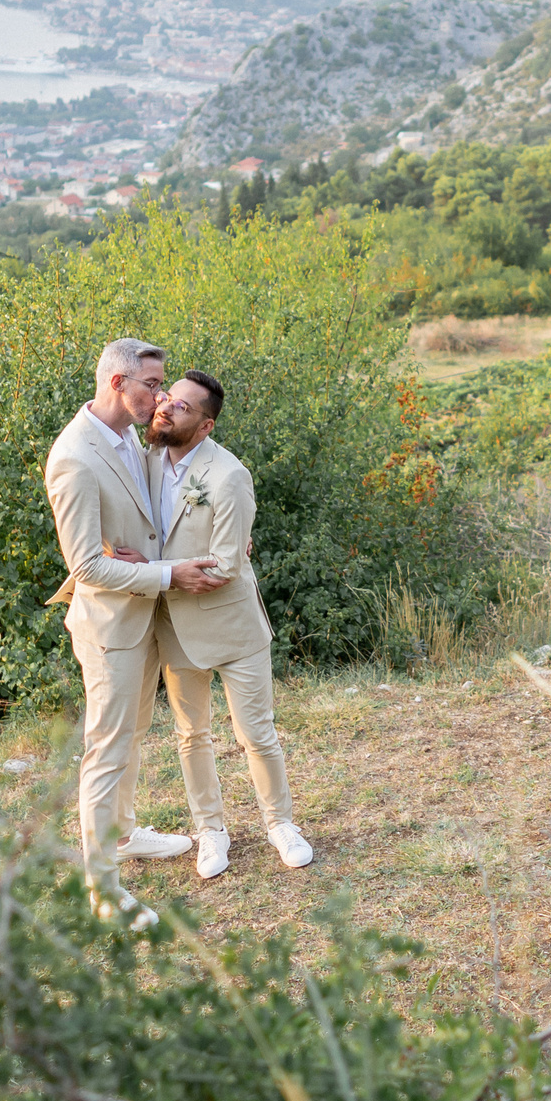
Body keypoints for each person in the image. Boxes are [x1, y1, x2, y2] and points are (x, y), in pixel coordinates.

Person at [41, 336, 228, 926]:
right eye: (153, 385)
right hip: (109, 626)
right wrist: (162, 572)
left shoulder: (130, 436)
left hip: (144, 611)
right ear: (118, 383)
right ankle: (102, 890)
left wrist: (225, 534)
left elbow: (168, 502)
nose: (163, 397)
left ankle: (122, 834)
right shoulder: (73, 455)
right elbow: (87, 566)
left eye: (164, 386)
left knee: (134, 733)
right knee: (106, 748)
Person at [146, 370, 314, 878]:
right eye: (168, 398)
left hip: (233, 624)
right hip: (174, 623)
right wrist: (153, 569)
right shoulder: (147, 462)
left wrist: (154, 573)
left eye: (182, 406)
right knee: (190, 734)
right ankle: (210, 831)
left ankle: (279, 823)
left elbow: (225, 566)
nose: (167, 407)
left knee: (256, 733)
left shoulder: (228, 475)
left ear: (206, 425)